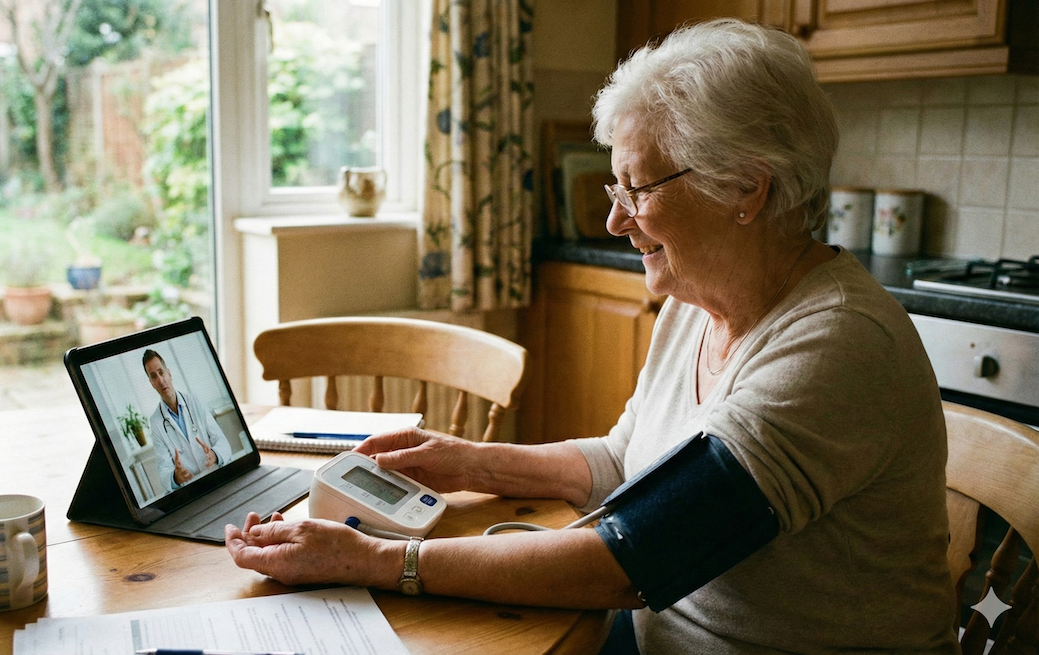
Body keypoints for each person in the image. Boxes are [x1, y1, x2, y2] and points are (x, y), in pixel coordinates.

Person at [224, 19, 959, 653]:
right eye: (617, 188)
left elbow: (630, 558)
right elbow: (622, 460)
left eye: (638, 188)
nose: (614, 220)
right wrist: (470, 460)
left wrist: (379, 560)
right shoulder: (698, 302)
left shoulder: (835, 346)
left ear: (745, 188)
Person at [143, 349, 232, 491]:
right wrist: (176, 477)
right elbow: (164, 470)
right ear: (152, 383)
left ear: (169, 373)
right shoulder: (156, 422)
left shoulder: (194, 401)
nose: (160, 380)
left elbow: (222, 442)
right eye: (154, 376)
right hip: (191, 489)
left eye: (161, 372)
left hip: (216, 477)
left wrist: (214, 455)